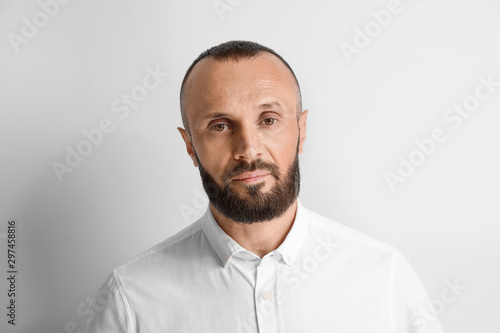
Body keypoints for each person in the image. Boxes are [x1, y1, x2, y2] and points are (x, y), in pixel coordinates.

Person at [85, 40, 444, 333]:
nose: (248, 149)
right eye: (220, 126)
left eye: (268, 120)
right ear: (190, 145)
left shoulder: (382, 276)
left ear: (301, 131)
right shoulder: (130, 297)